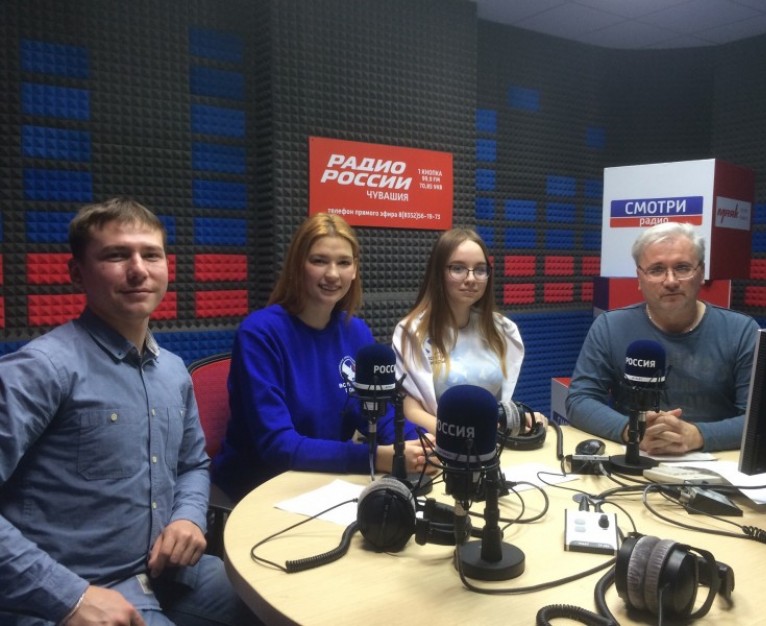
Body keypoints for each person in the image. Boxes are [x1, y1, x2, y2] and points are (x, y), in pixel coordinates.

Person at [0, 197, 259, 625]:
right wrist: (69, 597)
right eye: (116, 255)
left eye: (151, 254)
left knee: (283, 604)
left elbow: (192, 464)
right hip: (75, 588)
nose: (138, 269)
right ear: (77, 273)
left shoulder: (173, 371)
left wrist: (188, 518)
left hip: (168, 574)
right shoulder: (41, 370)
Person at [212, 213, 431, 502]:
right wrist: (375, 457)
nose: (332, 274)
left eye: (344, 262)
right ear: (297, 265)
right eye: (319, 261)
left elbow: (380, 413)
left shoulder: (356, 332)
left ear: (355, 270)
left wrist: (419, 444)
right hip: (259, 488)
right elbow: (278, 445)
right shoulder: (260, 334)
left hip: (327, 483)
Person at [566, 221, 760, 454]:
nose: (670, 281)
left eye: (682, 268)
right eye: (656, 270)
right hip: (635, 457)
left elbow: (759, 417)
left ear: (701, 273)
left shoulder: (741, 331)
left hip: (715, 461)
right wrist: (633, 430)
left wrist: (697, 435)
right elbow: (580, 400)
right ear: (639, 278)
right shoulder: (610, 327)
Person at [393, 227, 542, 435]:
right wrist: (465, 435)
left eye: (480, 269)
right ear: (438, 273)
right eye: (458, 268)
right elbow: (411, 411)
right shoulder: (412, 333)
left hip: (491, 445)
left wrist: (516, 418)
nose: (471, 278)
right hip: (441, 444)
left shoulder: (503, 330)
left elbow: (499, 404)